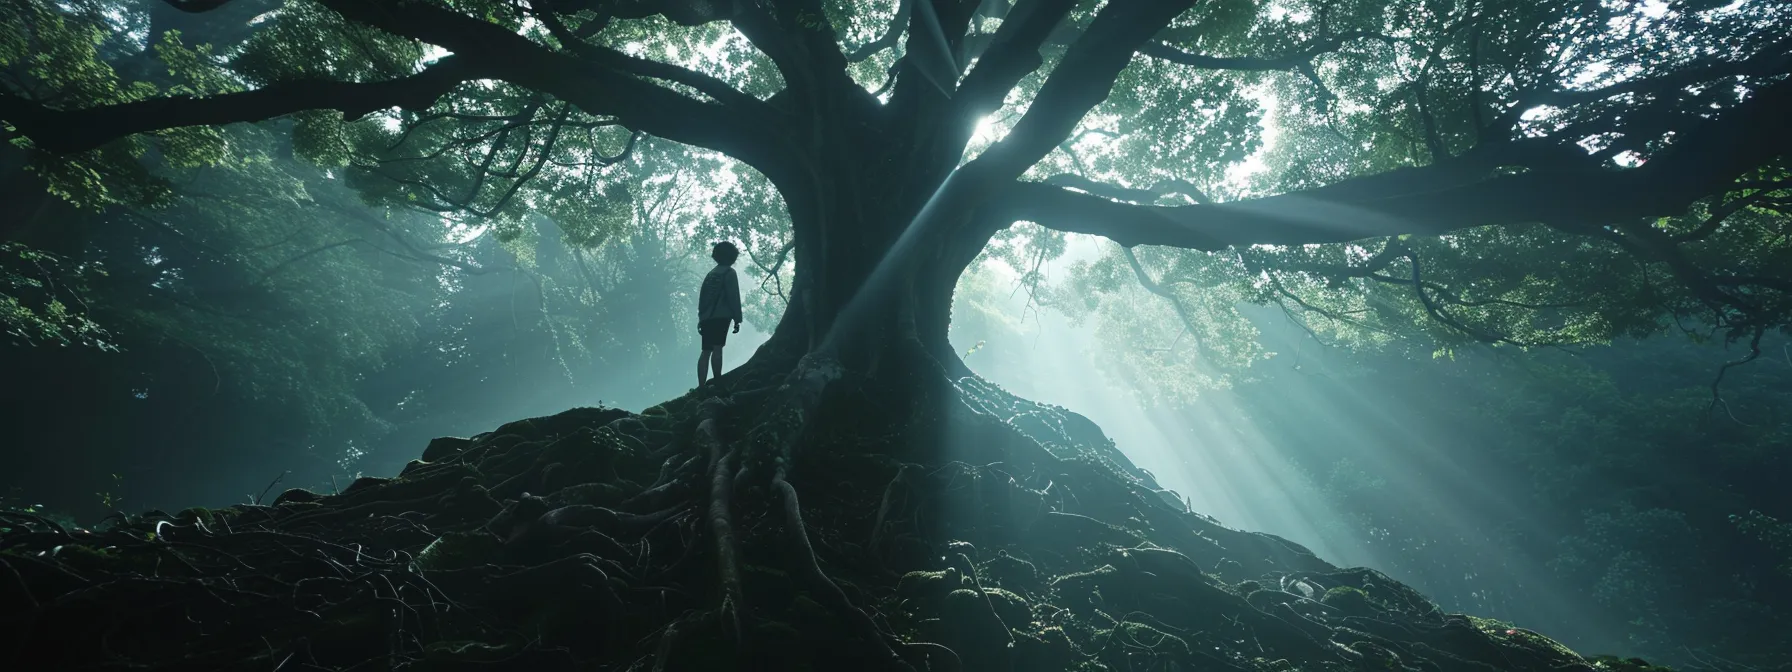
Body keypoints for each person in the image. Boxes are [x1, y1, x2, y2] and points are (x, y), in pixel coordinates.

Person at [697, 241, 743, 386]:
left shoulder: (711, 274)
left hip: (706, 317)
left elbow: (702, 297)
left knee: (705, 351)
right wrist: (737, 318)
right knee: (718, 348)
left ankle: (701, 386)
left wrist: (701, 317)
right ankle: (718, 381)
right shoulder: (729, 273)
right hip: (721, 316)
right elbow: (733, 296)